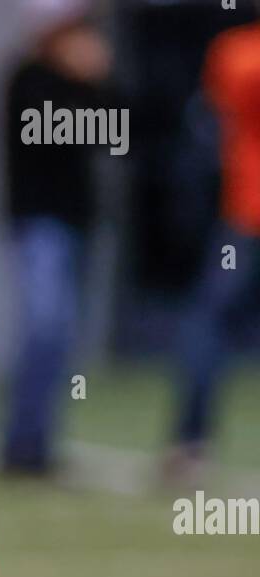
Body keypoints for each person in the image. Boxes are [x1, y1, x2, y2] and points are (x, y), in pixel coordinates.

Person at [2, 0, 113, 475]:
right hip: (40, 221)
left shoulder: (83, 81)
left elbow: (117, 133)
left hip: (77, 221)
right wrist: (80, 82)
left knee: (63, 335)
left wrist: (96, 83)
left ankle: (38, 442)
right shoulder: (27, 78)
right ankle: (22, 443)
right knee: (45, 327)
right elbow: (51, 135)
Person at [165, 11, 260, 483]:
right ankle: (190, 440)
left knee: (208, 324)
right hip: (244, 210)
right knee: (209, 324)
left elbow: (207, 125)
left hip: (243, 213)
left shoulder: (235, 51)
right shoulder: (238, 52)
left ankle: (190, 441)